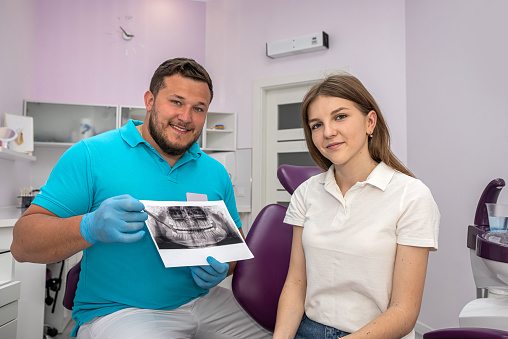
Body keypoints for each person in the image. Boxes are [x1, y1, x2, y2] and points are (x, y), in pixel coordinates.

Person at [10, 58, 270, 339]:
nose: (186, 117)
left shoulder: (215, 172)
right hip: (120, 311)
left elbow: (234, 251)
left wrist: (223, 269)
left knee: (282, 330)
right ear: (150, 100)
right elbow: (22, 245)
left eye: (198, 108)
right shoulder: (90, 155)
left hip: (204, 301)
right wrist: (88, 226)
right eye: (176, 102)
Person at [272, 74, 440, 339]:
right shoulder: (305, 194)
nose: (328, 132)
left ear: (370, 122)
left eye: (340, 117)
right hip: (308, 328)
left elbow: (404, 311)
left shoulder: (411, 196)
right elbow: (296, 282)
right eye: (317, 125)